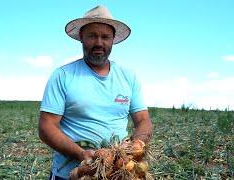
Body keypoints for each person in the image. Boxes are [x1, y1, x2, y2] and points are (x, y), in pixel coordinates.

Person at [38, 5, 152, 180]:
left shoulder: (128, 77)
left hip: (117, 173)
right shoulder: (63, 75)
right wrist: (81, 154)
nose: (99, 43)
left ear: (113, 39)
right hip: (72, 173)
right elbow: (46, 127)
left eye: (105, 37)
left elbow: (143, 120)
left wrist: (135, 146)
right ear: (81, 38)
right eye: (92, 36)